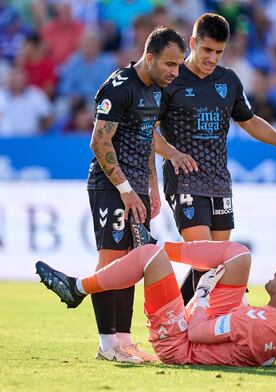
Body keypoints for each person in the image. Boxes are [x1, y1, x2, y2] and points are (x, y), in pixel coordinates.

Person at [154, 13, 276, 304]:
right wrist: (172, 153)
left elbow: (249, 121)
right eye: (207, 50)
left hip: (220, 183)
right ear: (193, 43)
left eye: (219, 52)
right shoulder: (171, 79)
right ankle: (169, 323)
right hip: (185, 181)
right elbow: (147, 130)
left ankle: (176, 324)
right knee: (208, 259)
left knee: (214, 267)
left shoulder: (228, 81)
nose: (212, 58)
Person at [35, 239, 276, 367]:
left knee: (149, 257)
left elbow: (199, 332)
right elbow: (254, 343)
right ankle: (163, 244)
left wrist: (202, 293)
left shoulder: (250, 323)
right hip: (223, 326)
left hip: (182, 343)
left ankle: (77, 288)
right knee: (239, 255)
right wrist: (239, 306)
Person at [86, 27, 186, 363]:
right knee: (111, 262)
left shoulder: (156, 92)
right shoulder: (120, 86)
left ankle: (124, 342)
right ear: (151, 56)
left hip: (137, 189)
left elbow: (147, 136)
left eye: (179, 65)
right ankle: (106, 344)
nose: (175, 72)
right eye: (170, 64)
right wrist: (127, 191)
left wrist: (152, 188)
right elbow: (100, 142)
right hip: (111, 187)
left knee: (131, 264)